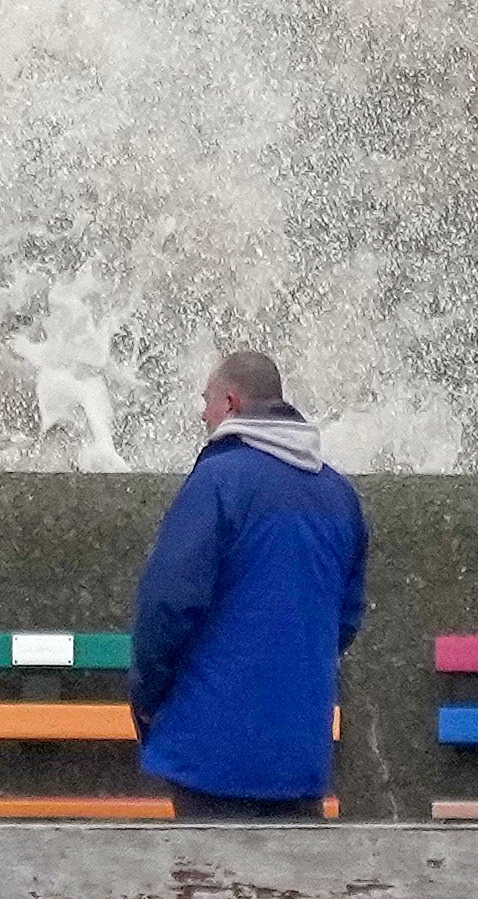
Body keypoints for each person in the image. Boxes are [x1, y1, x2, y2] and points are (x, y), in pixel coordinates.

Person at [127, 350, 368, 818]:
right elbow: (346, 618)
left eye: (207, 401)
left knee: (209, 885)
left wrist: (148, 699)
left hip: (210, 754)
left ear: (231, 403)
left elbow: (167, 606)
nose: (203, 414)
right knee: (289, 887)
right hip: (299, 755)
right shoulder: (341, 496)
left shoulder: (217, 482)